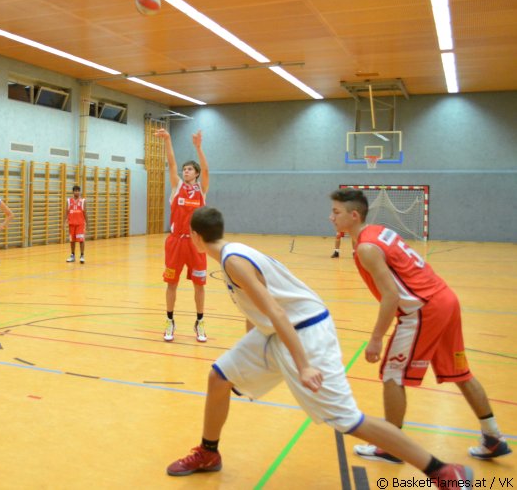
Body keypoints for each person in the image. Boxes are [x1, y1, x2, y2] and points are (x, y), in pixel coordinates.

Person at [165, 206, 474, 485]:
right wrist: (249, 352)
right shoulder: (233, 252)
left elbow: (276, 312)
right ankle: (209, 452)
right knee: (219, 377)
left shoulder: (233, 262)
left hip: (306, 332)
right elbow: (260, 309)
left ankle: (442, 470)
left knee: (348, 420)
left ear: (195, 236)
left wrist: (304, 365)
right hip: (278, 332)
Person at [330, 189, 511, 463]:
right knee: (460, 372)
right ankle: (493, 436)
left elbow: (391, 296)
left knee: (393, 373)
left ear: (354, 215)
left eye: (336, 212)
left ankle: (392, 447)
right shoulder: (378, 231)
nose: (331, 217)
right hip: (445, 299)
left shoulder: (366, 248)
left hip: (423, 309)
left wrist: (376, 338)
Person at [153, 128, 209, 343]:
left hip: (196, 243)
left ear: (196, 173)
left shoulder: (202, 190)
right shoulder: (177, 187)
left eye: (189, 169)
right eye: (184, 169)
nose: (185, 171)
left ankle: (200, 322)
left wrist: (198, 147)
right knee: (171, 283)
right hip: (176, 241)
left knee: (199, 285)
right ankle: (170, 321)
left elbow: (207, 169)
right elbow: (171, 163)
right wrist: (168, 139)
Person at [65, 185, 87, 263]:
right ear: (73, 192)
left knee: (81, 240)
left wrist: (87, 223)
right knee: (72, 240)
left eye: (78, 191)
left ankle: (82, 255)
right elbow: (66, 212)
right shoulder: (69, 200)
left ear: (79, 192)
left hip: (80, 224)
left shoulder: (83, 201)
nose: (77, 192)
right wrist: (64, 222)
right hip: (71, 224)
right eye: (75, 191)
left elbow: (85, 212)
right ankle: (72, 255)